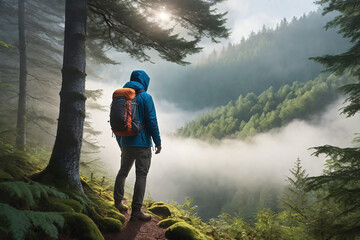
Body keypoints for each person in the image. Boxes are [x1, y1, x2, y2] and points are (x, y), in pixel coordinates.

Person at [113, 70, 162, 221]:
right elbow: (152, 121)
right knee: (141, 175)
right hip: (142, 144)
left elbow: (117, 120)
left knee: (123, 172)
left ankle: (118, 202)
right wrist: (158, 142)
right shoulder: (146, 97)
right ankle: (136, 211)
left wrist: (120, 141)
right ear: (144, 82)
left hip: (126, 141)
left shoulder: (121, 97)